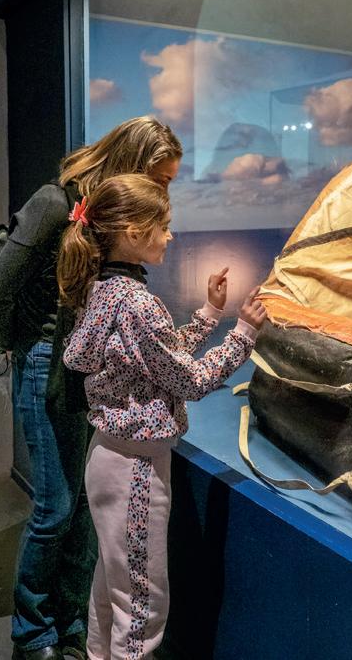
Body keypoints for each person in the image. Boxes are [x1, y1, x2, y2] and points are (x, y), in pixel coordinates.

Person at [0, 117, 183, 660]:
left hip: (87, 370)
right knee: (56, 508)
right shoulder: (54, 204)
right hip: (47, 363)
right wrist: (29, 346)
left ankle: (70, 624)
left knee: (85, 508)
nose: (164, 192)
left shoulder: (109, 217)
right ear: (134, 164)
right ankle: (32, 634)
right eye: (160, 179)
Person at [58, 174, 266, 659]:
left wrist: (209, 313)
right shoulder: (137, 303)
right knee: (141, 608)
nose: (170, 236)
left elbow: (158, 360)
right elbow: (188, 380)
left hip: (106, 457)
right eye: (164, 225)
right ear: (134, 232)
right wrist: (243, 334)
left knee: (111, 588)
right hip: (136, 469)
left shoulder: (105, 291)